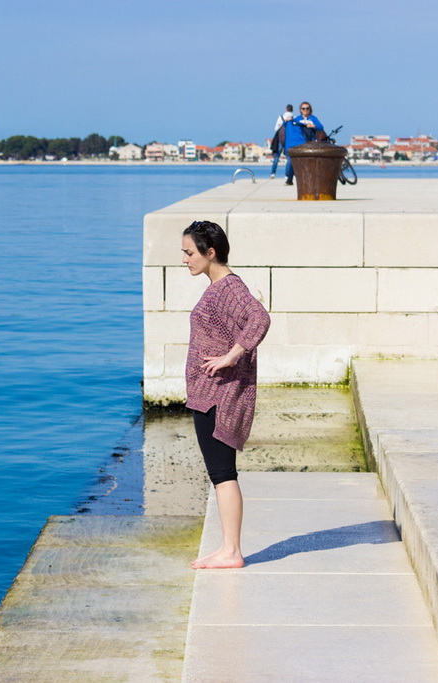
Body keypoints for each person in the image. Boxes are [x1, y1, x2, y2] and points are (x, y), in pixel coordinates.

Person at [180, 221, 271, 569]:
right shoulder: (219, 288)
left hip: (219, 396)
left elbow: (259, 319)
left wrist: (231, 356)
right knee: (220, 475)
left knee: (223, 474)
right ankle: (227, 548)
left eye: (189, 253)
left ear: (210, 252)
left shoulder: (228, 288)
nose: (185, 259)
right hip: (209, 394)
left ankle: (231, 552)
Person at [283, 101, 324, 185]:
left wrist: (313, 126)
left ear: (310, 109)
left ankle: (307, 178)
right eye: (303, 108)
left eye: (307, 108)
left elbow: (321, 127)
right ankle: (289, 178)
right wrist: (287, 120)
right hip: (296, 142)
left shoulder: (313, 118)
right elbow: (286, 125)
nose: (305, 110)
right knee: (290, 161)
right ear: (300, 110)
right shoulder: (297, 118)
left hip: (309, 142)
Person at [269, 104, 293, 179]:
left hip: (280, 139)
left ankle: (273, 173)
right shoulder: (294, 117)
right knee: (289, 157)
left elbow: (276, 128)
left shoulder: (281, 117)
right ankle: (287, 175)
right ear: (292, 110)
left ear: (286, 109)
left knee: (277, 156)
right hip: (289, 140)